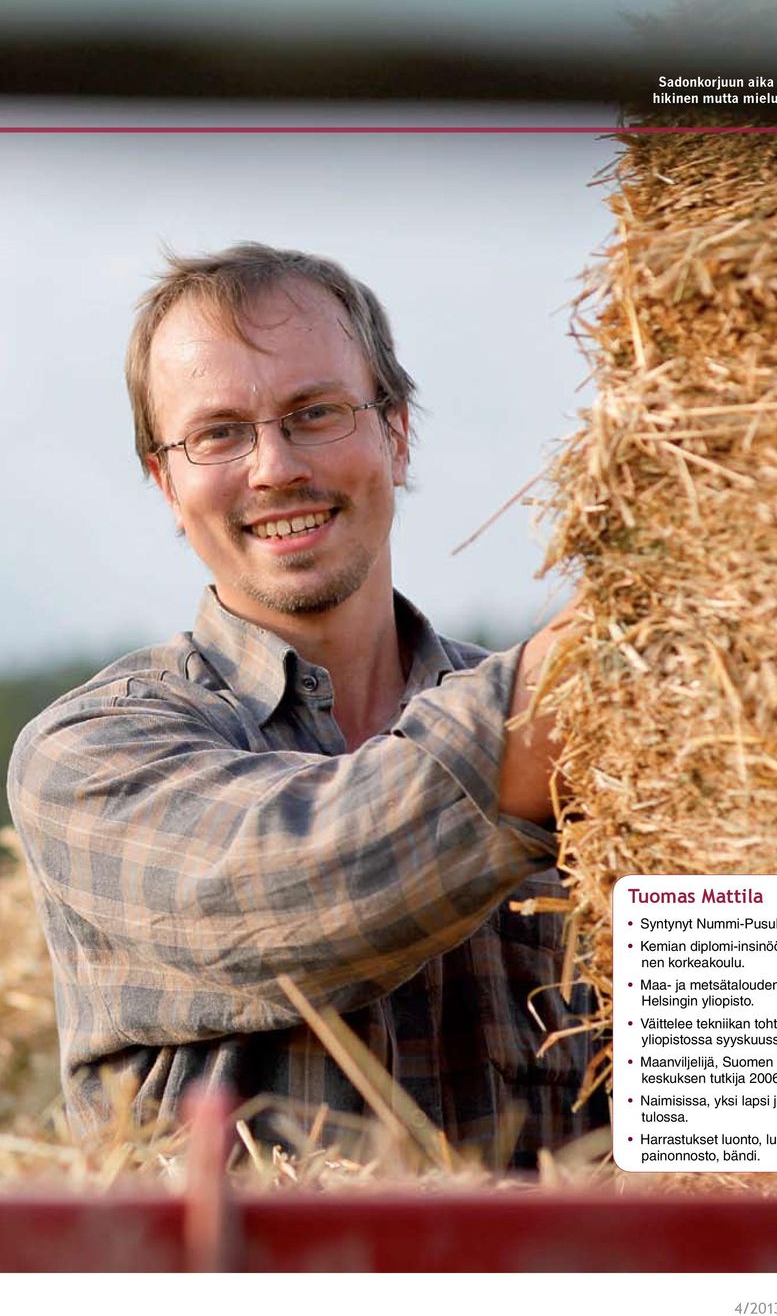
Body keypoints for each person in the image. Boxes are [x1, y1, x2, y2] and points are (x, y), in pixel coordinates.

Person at [7, 243, 605, 1170]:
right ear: (166, 481)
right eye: (217, 434)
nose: (275, 467)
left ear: (397, 433)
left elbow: (738, 1096)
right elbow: (291, 890)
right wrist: (548, 706)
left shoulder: (608, 734)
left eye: (315, 413)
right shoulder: (89, 754)